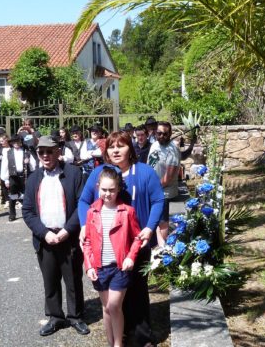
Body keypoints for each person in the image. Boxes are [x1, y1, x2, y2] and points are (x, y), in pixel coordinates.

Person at [78, 131, 164, 347]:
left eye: (121, 146)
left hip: (137, 244)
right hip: (109, 248)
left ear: (130, 149)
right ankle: (120, 336)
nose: (116, 150)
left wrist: (150, 228)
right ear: (106, 151)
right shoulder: (100, 173)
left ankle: (143, 337)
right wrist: (83, 226)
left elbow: (158, 200)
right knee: (115, 298)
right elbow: (83, 202)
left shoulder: (144, 172)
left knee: (138, 291)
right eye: (111, 147)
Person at [22, 136, 90, 338]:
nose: (45, 155)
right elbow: (27, 211)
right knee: (50, 280)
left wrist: (67, 230)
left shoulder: (74, 173)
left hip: (67, 236)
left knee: (73, 279)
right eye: (41, 152)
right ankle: (55, 317)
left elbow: (81, 205)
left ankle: (76, 316)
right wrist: (44, 233)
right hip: (45, 239)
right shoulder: (33, 178)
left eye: (49, 151)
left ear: (58, 152)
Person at [84, 167, 143, 347]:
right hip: (100, 268)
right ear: (97, 187)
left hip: (119, 267)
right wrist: (89, 266)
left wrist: (130, 257)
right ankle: (111, 342)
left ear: (118, 189)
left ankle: (119, 344)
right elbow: (87, 241)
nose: (108, 194)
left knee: (114, 306)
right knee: (105, 308)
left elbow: (137, 238)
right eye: (104, 189)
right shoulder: (92, 212)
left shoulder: (127, 212)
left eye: (112, 190)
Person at [147, 121, 181, 246]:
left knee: (162, 222)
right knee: (153, 219)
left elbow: (168, 178)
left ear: (170, 134)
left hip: (164, 192)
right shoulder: (155, 144)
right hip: (153, 189)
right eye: (159, 133)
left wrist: (151, 188)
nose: (161, 136)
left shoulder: (172, 150)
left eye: (165, 134)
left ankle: (162, 248)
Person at [0, 134, 29, 222]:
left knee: (25, 196)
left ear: (20, 142)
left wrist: (27, 160)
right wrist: (5, 179)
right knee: (12, 196)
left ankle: (26, 214)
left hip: (23, 176)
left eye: (18, 141)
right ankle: (12, 214)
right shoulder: (8, 152)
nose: (16, 143)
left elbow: (31, 164)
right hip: (12, 177)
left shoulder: (24, 151)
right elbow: (4, 166)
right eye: (14, 142)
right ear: (12, 143)